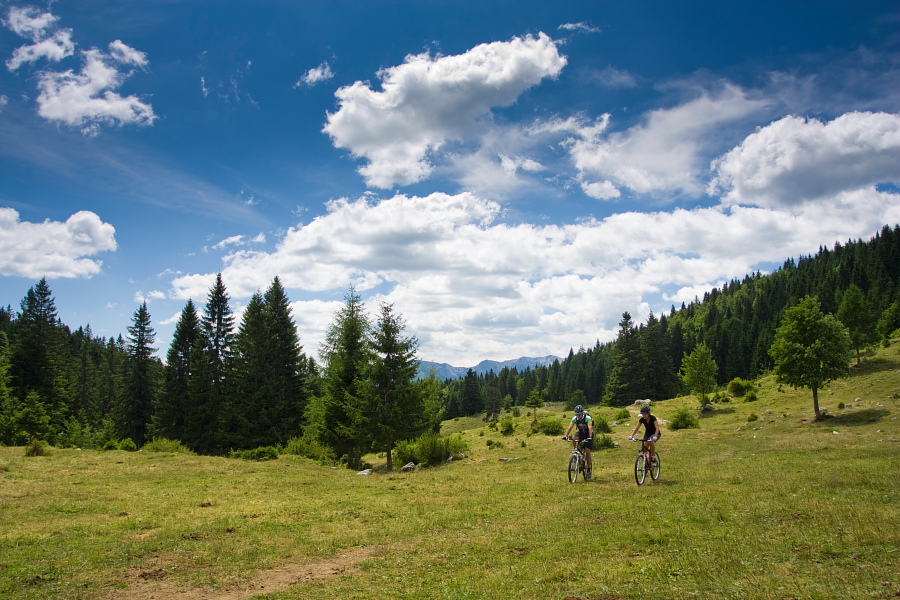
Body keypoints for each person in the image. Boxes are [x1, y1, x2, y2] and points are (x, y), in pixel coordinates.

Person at [563, 404, 594, 478]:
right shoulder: (575, 418)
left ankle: (589, 469)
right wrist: (566, 436)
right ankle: (576, 452)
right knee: (575, 438)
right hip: (581, 432)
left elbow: (590, 427)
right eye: (577, 414)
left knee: (587, 451)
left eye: (579, 414)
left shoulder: (587, 418)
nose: (578, 416)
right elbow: (570, 427)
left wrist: (589, 437)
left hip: (588, 434)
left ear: (582, 413)